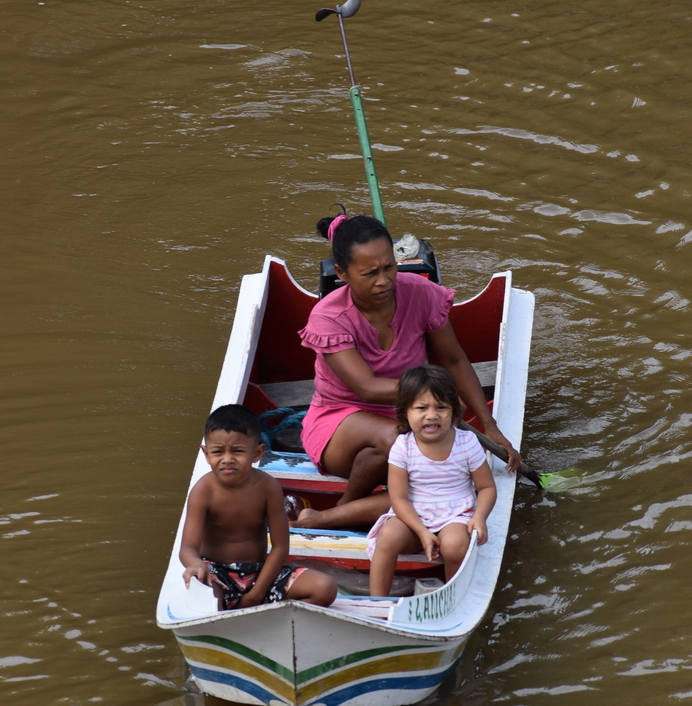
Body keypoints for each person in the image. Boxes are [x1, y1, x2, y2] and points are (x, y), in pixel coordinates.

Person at [296, 212, 520, 529]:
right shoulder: (328, 316)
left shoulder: (420, 292)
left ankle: (325, 517)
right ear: (342, 273)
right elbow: (367, 388)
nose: (384, 281)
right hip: (341, 420)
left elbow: (454, 360)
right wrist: (434, 398)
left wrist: (489, 424)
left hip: (411, 412)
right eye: (370, 273)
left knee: (439, 490)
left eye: (389, 267)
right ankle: (347, 506)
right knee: (397, 438)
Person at [180, 404, 336, 610]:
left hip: (261, 574)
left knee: (325, 588)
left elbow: (280, 547)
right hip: (217, 574)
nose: (227, 459)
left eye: (237, 451)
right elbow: (187, 548)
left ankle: (268, 615)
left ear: (257, 452)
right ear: (206, 454)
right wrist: (196, 563)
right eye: (218, 452)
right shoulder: (203, 492)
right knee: (204, 599)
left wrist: (256, 594)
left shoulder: (268, 487)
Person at [368, 365, 497, 595]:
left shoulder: (466, 443)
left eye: (441, 407)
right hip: (413, 517)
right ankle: (377, 602)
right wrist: (422, 532)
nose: (432, 415)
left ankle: (452, 598)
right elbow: (398, 499)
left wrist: (480, 517)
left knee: (455, 545)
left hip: (455, 516)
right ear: (406, 411)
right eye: (421, 407)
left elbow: (486, 487)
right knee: (388, 536)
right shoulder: (403, 447)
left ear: (454, 411)